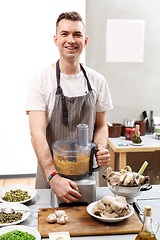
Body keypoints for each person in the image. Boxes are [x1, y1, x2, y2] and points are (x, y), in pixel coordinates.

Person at [26, 11, 113, 203]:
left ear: (86, 41)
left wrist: (100, 148)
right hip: (51, 175)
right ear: (56, 40)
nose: (71, 40)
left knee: (89, 227)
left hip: (86, 174)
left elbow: (101, 126)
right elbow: (37, 134)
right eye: (65, 34)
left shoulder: (98, 81)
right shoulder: (40, 80)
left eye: (77, 34)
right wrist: (53, 177)